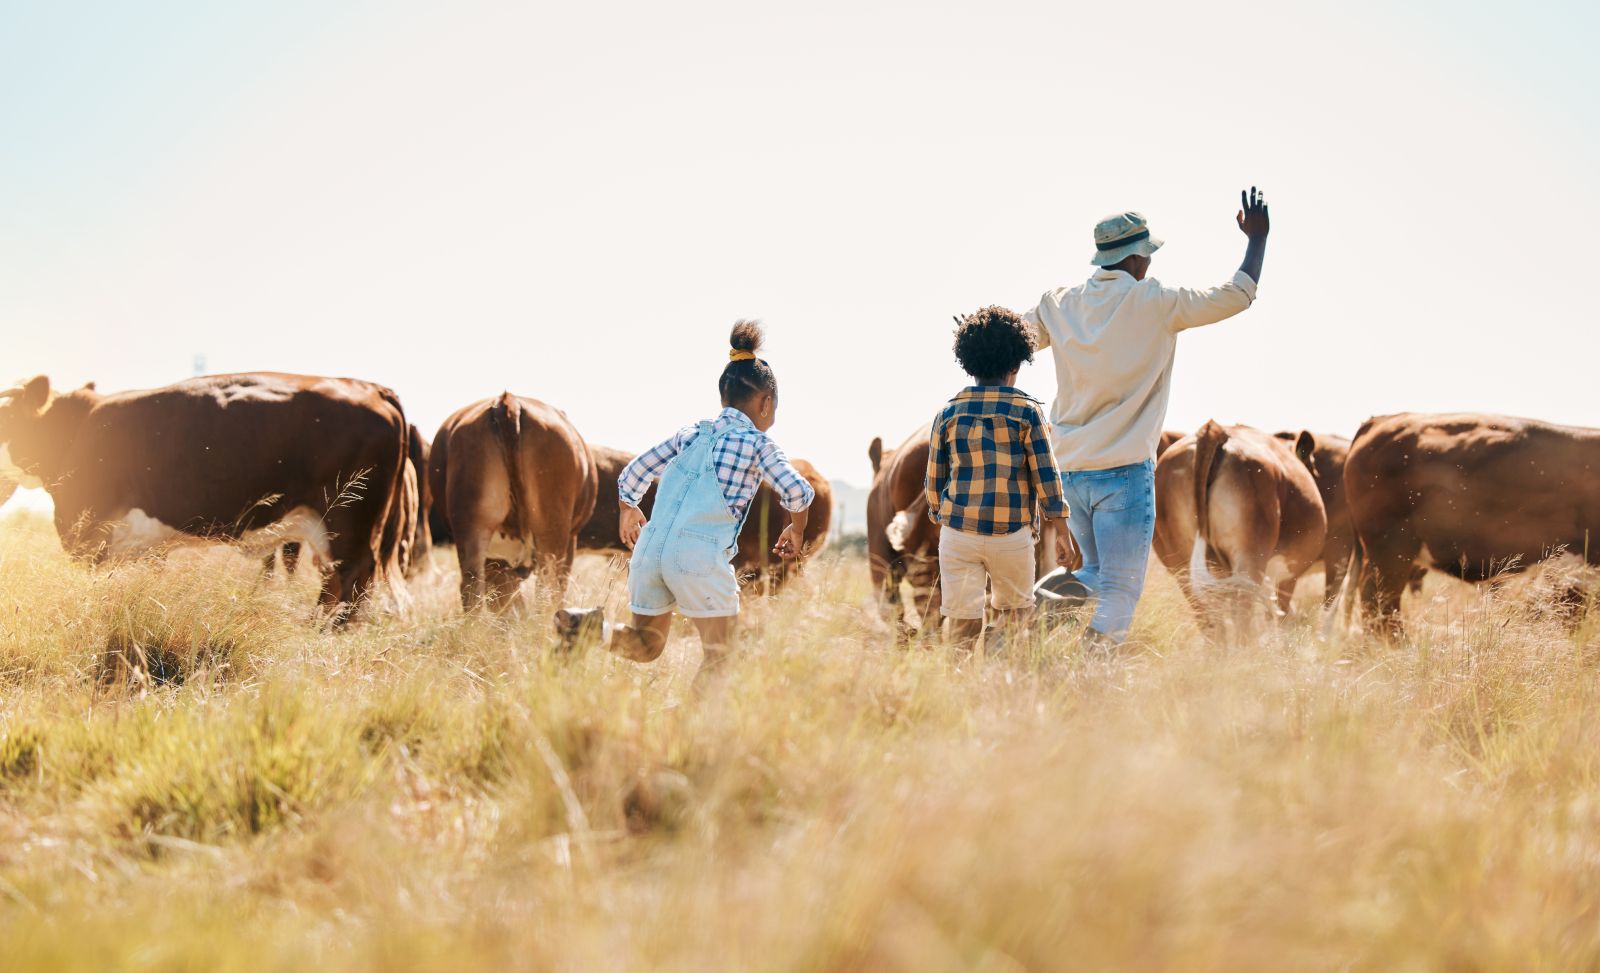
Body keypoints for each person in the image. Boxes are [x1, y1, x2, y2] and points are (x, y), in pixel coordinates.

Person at [1022, 188, 1271, 649]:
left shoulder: (1058, 305)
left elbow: (1013, 337)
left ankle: (1042, 605)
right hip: (1123, 474)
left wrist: (975, 327)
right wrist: (1257, 240)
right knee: (1120, 589)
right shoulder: (1158, 302)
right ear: (1138, 259)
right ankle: (1093, 669)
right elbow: (1238, 294)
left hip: (1069, 471)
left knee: (1092, 573)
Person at [555, 320, 815, 684]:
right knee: (721, 654)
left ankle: (589, 629)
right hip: (699, 556)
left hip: (650, 551)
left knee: (646, 645)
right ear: (766, 403)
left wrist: (629, 508)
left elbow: (633, 472)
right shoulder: (758, 444)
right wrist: (796, 528)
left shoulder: (691, 433)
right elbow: (798, 492)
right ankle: (695, 729)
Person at [926, 306, 1080, 652]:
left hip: (958, 534)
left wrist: (944, 518)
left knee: (962, 623)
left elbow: (934, 483)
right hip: (1011, 537)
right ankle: (998, 680)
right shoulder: (1026, 412)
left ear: (968, 362)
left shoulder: (947, 414)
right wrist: (1062, 531)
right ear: (1015, 364)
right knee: (1014, 615)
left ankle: (959, 686)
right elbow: (1047, 478)